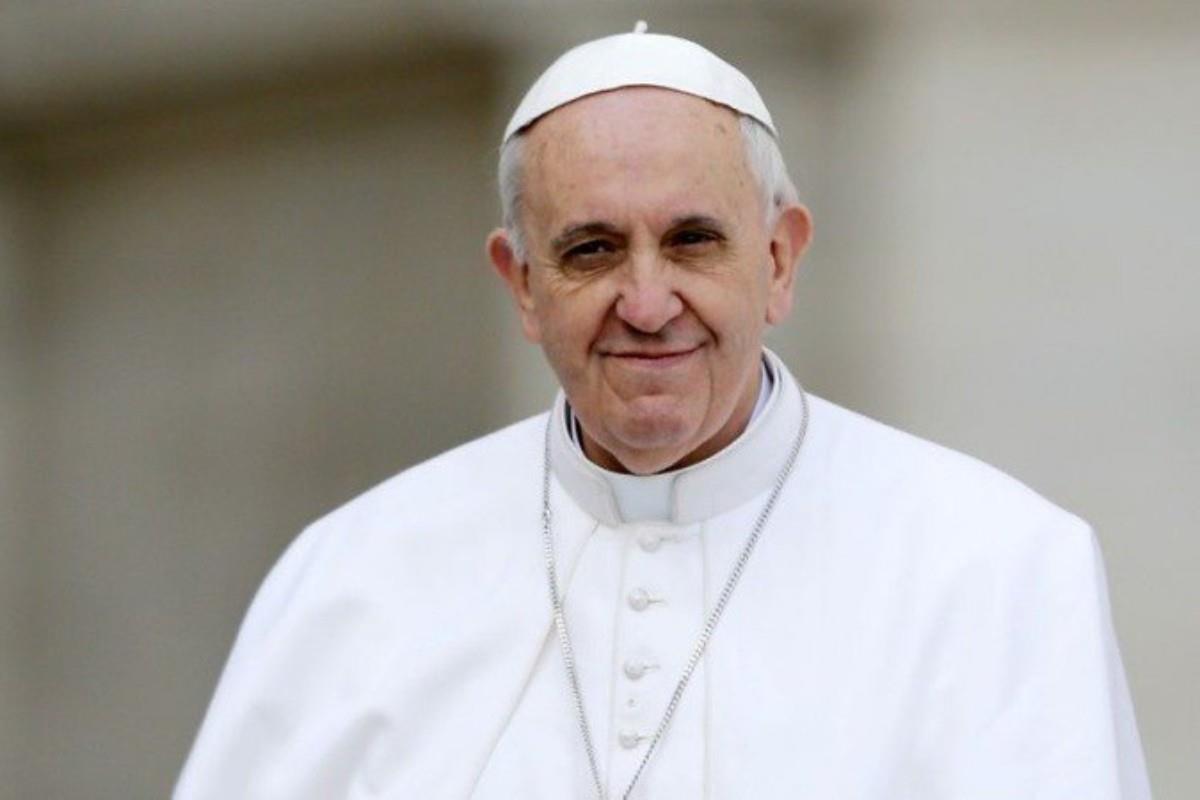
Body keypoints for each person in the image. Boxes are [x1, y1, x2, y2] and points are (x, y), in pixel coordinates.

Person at [175, 23, 1152, 800]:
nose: (646, 304)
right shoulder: (350, 579)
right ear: (520, 283)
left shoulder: (997, 566)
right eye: (592, 249)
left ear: (778, 259)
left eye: (692, 241)